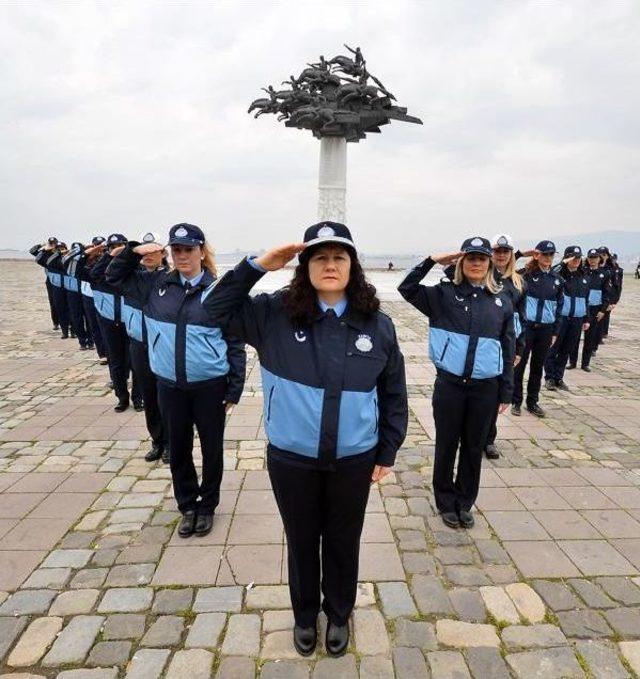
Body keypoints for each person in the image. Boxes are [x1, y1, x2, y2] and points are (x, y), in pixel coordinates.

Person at [200, 221, 407, 658]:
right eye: (319, 257)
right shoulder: (273, 315)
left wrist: (387, 450)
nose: (330, 265)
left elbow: (393, 393)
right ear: (303, 266)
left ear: (353, 265)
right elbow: (212, 309)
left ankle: (337, 614)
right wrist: (256, 266)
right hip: (292, 459)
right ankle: (303, 614)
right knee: (301, 538)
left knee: (343, 540)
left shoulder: (377, 326)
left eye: (339, 257)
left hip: (354, 458)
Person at [106, 223, 246, 538]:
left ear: (201, 251)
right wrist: (132, 252)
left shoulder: (218, 290)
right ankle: (188, 506)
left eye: (189, 249)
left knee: (212, 450)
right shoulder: (154, 286)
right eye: (177, 249)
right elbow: (112, 277)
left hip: (210, 386)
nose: (182, 255)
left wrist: (234, 388)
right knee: (179, 449)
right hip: (169, 386)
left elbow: (235, 342)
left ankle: (207, 505)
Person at [399, 237, 513, 530]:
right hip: (450, 386)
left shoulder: (501, 300)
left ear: (489, 264)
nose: (476, 263)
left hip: (485, 388)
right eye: (471, 258)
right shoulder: (443, 295)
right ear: (461, 262)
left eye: (482, 258)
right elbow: (407, 288)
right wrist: (432, 260)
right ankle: (445, 501)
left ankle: (465, 501)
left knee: (474, 447)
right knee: (447, 445)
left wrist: (506, 390)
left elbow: (508, 346)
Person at [120, 231, 170, 463]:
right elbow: (105, 274)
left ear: (163, 253)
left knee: (166, 397)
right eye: (145, 251)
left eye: (154, 251)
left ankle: (171, 442)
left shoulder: (171, 277)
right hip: (140, 344)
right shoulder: (135, 277)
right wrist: (131, 252)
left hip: (164, 345)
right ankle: (157, 440)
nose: (149, 255)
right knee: (149, 396)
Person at [89, 233, 142, 411]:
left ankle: (138, 398)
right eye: (113, 246)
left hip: (131, 323)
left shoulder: (133, 271)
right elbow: (93, 275)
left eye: (121, 245)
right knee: (116, 362)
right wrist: (109, 256)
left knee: (136, 363)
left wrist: (130, 255)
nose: (117, 249)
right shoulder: (101, 271)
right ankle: (122, 398)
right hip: (109, 323)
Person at [484, 234, 525, 460]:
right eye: (497, 251)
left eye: (505, 252)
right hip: (485, 341)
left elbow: (521, 319)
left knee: (496, 394)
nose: (501, 255)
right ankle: (471, 436)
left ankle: (489, 439)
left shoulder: (518, 283)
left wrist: (519, 349)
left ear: (511, 255)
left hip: (506, 344)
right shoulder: (483, 276)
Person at [511, 241, 563, 418]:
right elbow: (506, 271)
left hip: (545, 330)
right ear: (537, 255)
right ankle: (516, 401)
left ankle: (532, 402)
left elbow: (559, 308)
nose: (548, 258)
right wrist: (519, 253)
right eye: (545, 254)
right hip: (527, 329)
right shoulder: (526, 274)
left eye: (551, 255)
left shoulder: (557, 279)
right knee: (519, 365)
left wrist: (555, 332)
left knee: (537, 367)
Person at [543, 246, 589, 391]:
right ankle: (549, 377)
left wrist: (586, 319)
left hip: (577, 318)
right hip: (562, 317)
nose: (576, 260)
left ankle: (559, 377)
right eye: (572, 257)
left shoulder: (584, 276)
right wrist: (563, 263)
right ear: (566, 258)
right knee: (553, 348)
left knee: (566, 349)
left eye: (578, 257)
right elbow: (552, 271)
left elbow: (586, 299)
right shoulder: (559, 274)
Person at [578, 248, 613, 372]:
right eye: (590, 258)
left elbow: (607, 294)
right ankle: (572, 361)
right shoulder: (582, 271)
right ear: (587, 259)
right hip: (581, 307)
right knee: (575, 336)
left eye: (595, 258)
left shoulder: (605, 274)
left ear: (599, 259)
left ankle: (585, 363)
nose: (593, 260)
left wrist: (603, 310)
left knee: (590, 337)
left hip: (595, 309)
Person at [75, 236, 108, 362]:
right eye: (97, 246)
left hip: (104, 296)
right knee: (94, 325)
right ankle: (102, 353)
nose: (100, 250)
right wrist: (86, 251)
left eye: (102, 246)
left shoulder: (107, 258)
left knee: (106, 326)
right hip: (88, 295)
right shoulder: (87, 259)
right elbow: (70, 264)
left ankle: (110, 351)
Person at [32, 240, 70, 339]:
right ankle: (60, 327)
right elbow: (35, 254)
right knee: (56, 305)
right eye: (57, 248)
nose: (60, 250)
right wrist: (44, 246)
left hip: (69, 285)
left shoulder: (68, 258)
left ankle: (72, 329)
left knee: (70, 307)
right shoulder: (49, 258)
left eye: (62, 248)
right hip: (54, 284)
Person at [62, 242, 91, 350]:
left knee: (89, 319)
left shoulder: (87, 260)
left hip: (86, 292)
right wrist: (79, 250)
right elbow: (65, 259)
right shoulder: (66, 261)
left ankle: (90, 340)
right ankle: (82, 341)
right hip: (73, 292)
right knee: (77, 317)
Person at [30, 236, 60, 331]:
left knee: (62, 302)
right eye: (51, 243)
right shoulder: (44, 253)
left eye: (54, 244)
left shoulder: (58, 253)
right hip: (50, 280)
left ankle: (65, 322)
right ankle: (55, 323)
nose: (52, 245)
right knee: (53, 302)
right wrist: (42, 245)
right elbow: (32, 251)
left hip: (60, 279)